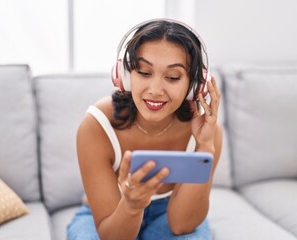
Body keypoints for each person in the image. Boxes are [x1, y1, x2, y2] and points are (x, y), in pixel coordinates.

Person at [67, 18, 222, 240]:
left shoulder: (208, 132)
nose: (155, 90)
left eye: (172, 77)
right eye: (144, 72)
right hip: (110, 214)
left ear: (193, 86)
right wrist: (132, 205)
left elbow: (181, 225)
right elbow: (112, 235)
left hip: (168, 212)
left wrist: (205, 147)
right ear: (125, 76)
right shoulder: (96, 126)